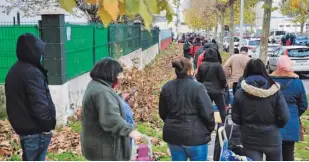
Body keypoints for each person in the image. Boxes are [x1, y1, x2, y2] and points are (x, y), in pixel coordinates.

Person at [5, 33, 56, 161]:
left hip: (26, 130)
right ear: (34, 52)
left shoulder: (15, 70)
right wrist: (47, 126)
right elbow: (39, 104)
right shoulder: (31, 73)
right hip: (36, 132)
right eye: (40, 52)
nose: (41, 56)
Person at [81, 58, 143, 161]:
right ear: (110, 73)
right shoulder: (102, 92)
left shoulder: (95, 85)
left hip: (95, 144)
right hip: (104, 149)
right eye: (117, 74)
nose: (118, 78)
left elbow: (103, 107)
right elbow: (110, 118)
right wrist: (130, 131)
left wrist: (118, 99)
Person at [232, 59, 290, 161]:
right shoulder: (275, 91)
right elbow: (284, 116)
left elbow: (235, 117)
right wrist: (276, 125)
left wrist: (244, 124)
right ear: (264, 70)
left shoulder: (240, 92)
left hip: (249, 137)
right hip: (272, 137)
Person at [159, 57, 215, 161]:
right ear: (190, 71)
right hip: (196, 137)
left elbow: (163, 113)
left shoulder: (166, 87)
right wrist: (209, 129)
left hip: (173, 136)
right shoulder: (198, 87)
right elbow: (208, 113)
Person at [270, 55, 308, 161]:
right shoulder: (297, 82)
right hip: (291, 122)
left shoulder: (270, 81)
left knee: (273, 153)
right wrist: (295, 114)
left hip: (273, 121)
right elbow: (303, 104)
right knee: (289, 151)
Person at [196, 48, 227, 122]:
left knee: (207, 109)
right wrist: (223, 87)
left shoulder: (202, 65)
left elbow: (198, 78)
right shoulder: (218, 65)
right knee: (222, 109)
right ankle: (224, 124)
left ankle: (208, 125)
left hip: (205, 90)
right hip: (217, 91)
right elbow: (222, 79)